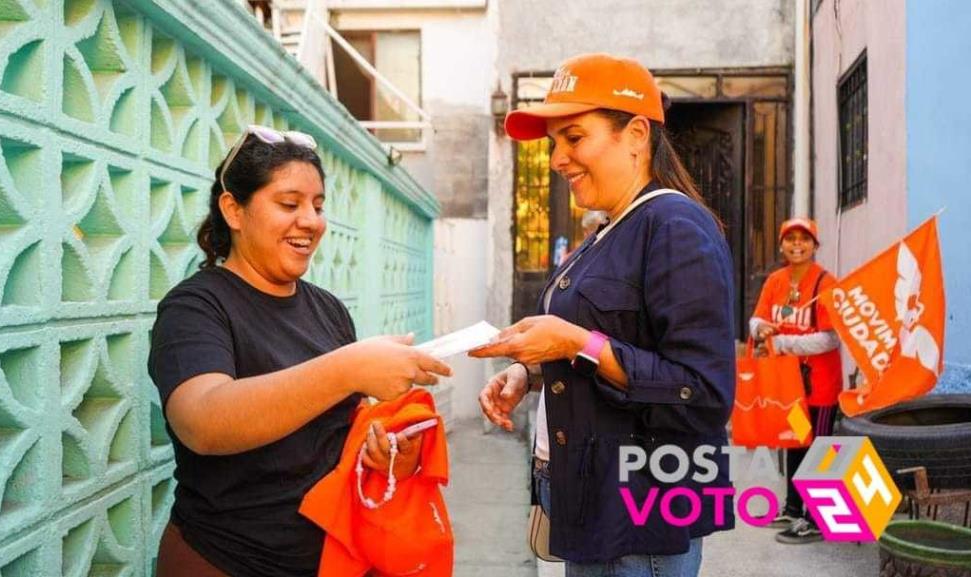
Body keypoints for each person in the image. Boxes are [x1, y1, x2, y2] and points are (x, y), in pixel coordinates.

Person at [471, 53, 736, 577]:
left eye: (574, 138)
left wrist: (574, 343)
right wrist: (532, 372)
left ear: (636, 134)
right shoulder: (610, 230)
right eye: (554, 144)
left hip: (642, 516)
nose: (556, 160)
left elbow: (703, 394)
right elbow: (614, 341)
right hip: (592, 501)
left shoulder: (674, 226)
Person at [147, 126, 451, 577]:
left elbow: (339, 440)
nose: (310, 220)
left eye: (318, 205)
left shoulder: (327, 310)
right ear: (233, 209)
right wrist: (348, 369)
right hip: (225, 561)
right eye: (289, 204)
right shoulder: (196, 306)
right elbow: (202, 422)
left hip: (333, 560)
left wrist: (387, 457)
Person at [749, 217, 843, 544]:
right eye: (790, 239)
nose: (797, 245)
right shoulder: (776, 281)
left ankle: (815, 518)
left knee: (817, 449)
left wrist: (785, 343)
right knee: (793, 444)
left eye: (804, 239)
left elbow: (830, 340)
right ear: (781, 245)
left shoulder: (825, 282)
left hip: (820, 384)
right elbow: (757, 319)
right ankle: (792, 507)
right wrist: (761, 330)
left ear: (815, 246)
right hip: (789, 385)